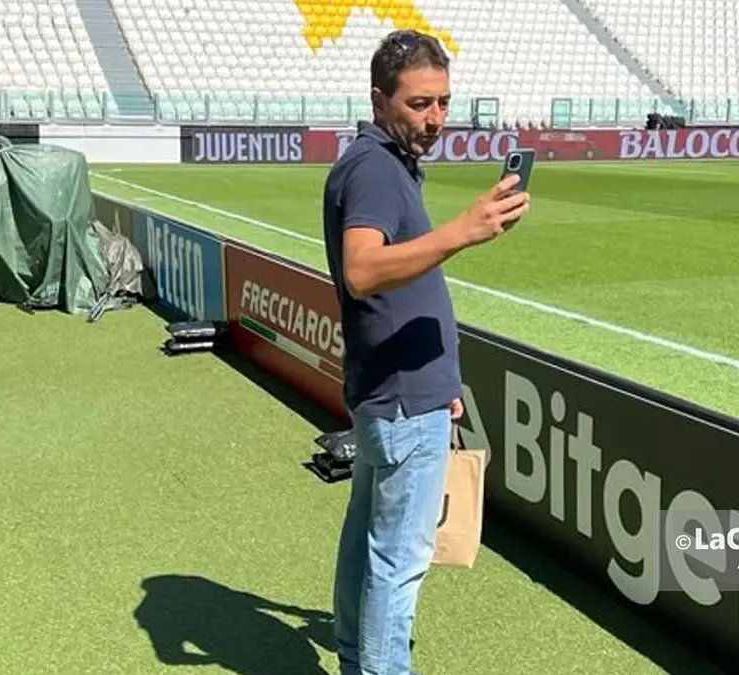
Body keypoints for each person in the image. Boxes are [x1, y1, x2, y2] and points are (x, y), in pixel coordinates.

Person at [321, 29, 531, 675]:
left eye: (443, 102)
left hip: (401, 390)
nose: (435, 118)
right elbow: (363, 270)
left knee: (368, 538)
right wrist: (462, 231)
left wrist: (441, 384)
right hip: (402, 400)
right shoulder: (374, 168)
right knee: (399, 558)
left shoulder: (381, 162)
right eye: (419, 104)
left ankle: (355, 655)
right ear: (379, 100)